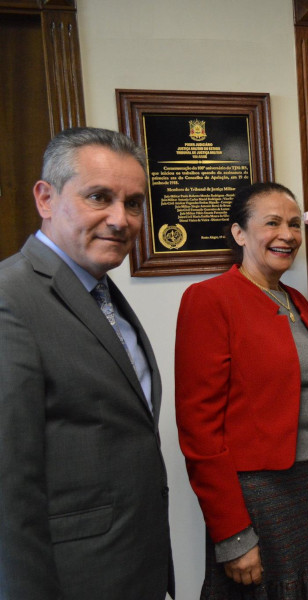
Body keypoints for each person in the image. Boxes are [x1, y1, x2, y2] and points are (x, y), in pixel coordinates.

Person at [0, 127, 174, 599]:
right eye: (99, 197)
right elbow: (9, 489)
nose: (121, 219)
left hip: (133, 567)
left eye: (134, 203)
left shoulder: (98, 289)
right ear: (46, 198)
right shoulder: (11, 298)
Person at [175, 182, 308, 599]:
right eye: (272, 223)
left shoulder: (295, 299)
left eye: (295, 224)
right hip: (262, 493)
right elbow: (198, 431)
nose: (288, 234)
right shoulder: (209, 299)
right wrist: (234, 535)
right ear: (239, 233)